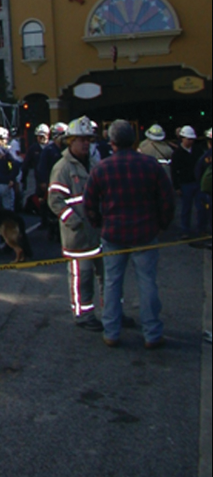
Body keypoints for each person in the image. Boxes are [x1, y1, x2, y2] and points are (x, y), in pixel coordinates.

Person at [84, 119, 175, 349]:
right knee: (148, 282)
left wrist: (98, 224)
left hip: (113, 233)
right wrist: (162, 224)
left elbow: (89, 203)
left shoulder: (101, 168)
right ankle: (152, 333)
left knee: (113, 283)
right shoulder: (151, 165)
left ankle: (111, 332)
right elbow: (167, 198)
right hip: (145, 232)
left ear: (111, 142)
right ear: (134, 140)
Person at [47, 116, 103, 332]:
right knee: (83, 277)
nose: (86, 144)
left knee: (106, 276)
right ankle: (83, 314)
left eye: (88, 140)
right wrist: (74, 221)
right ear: (70, 141)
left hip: (98, 232)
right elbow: (55, 200)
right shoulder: (62, 168)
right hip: (78, 237)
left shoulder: (94, 163)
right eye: (81, 140)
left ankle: (111, 312)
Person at [171, 126, 199, 237]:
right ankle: (185, 230)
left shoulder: (197, 151)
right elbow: (174, 171)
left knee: (201, 207)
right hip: (185, 184)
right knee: (186, 209)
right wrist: (177, 187)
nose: (190, 141)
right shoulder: (177, 154)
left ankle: (200, 228)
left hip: (196, 183)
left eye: (192, 139)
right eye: (188, 139)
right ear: (182, 138)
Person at [20, 123, 49, 214]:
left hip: (51, 175)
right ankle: (42, 216)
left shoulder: (51, 147)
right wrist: (23, 178)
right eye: (39, 136)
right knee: (40, 197)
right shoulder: (33, 149)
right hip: (38, 177)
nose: (41, 138)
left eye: (43, 136)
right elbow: (26, 163)